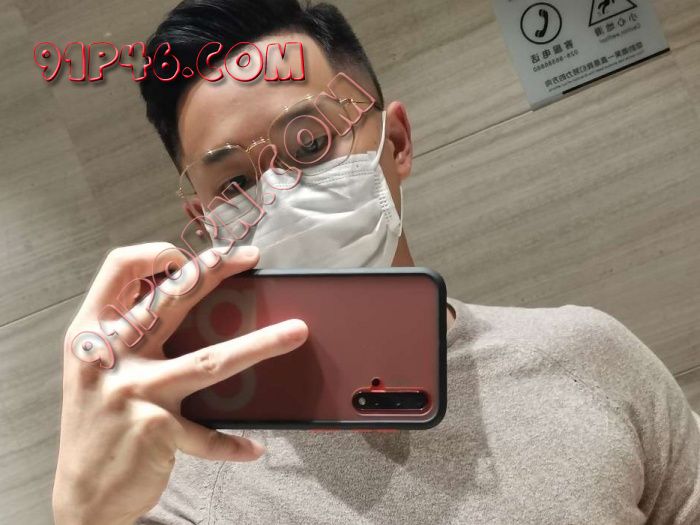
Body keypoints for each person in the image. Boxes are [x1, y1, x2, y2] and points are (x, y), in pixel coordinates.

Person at [52, 1, 700, 523]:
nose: (280, 193)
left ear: (397, 141)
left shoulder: (588, 357)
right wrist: (84, 519)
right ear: (204, 219)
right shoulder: (173, 474)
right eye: (234, 184)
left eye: (310, 142)